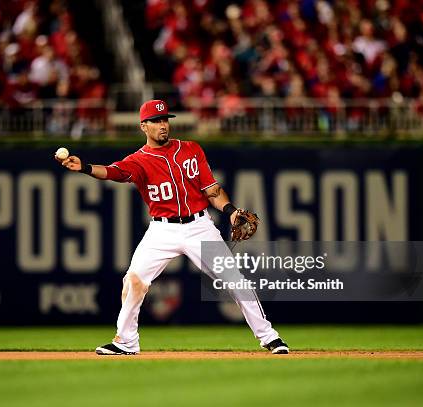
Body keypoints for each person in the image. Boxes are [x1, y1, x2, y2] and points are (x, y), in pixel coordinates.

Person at [56, 100, 289, 355]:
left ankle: (270, 337)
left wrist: (231, 211)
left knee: (235, 280)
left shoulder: (191, 149)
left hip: (200, 226)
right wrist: (85, 168)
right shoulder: (139, 160)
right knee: (134, 280)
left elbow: (211, 190)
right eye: (156, 121)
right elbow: (113, 172)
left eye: (165, 119)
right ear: (143, 126)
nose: (163, 125)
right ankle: (125, 342)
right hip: (162, 231)